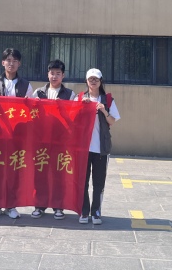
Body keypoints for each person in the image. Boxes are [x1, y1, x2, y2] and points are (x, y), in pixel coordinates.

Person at [0, 48, 33, 219]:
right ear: (3, 62)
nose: (11, 63)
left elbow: (30, 110)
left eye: (14, 60)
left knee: (14, 170)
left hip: (17, 135)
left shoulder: (26, 85)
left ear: (19, 63)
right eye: (8, 60)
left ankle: (11, 205)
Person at [30, 59, 76, 220]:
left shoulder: (70, 94)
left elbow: (74, 118)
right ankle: (40, 205)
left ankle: (58, 206)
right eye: (52, 73)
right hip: (41, 140)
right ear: (47, 74)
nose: (54, 76)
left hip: (60, 141)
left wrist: (62, 109)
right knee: (40, 174)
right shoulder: (38, 93)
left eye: (58, 73)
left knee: (58, 174)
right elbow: (31, 115)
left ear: (63, 75)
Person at [78, 68, 120, 225]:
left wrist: (103, 110)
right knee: (82, 181)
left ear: (101, 81)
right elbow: (73, 119)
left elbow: (112, 121)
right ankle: (84, 211)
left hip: (101, 148)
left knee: (98, 182)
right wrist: (81, 107)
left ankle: (96, 211)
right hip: (83, 147)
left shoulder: (107, 100)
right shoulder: (80, 98)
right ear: (86, 81)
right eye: (90, 79)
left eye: (96, 79)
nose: (93, 81)